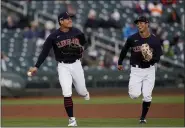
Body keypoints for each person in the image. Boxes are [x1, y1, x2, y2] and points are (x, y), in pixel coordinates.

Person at [27, 12, 90, 127]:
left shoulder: (77, 31)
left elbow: (85, 43)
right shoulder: (53, 36)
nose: (70, 20)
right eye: (68, 19)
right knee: (66, 92)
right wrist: (36, 66)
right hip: (63, 66)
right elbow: (44, 52)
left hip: (76, 64)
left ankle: (85, 93)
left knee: (81, 91)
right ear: (61, 21)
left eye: (71, 19)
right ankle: (72, 120)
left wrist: (82, 48)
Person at [117, 16, 163, 124]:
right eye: (138, 23)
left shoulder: (154, 40)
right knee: (134, 95)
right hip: (136, 70)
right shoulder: (132, 38)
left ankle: (142, 118)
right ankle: (137, 94)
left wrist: (150, 59)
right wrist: (120, 62)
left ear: (147, 24)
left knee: (147, 95)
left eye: (141, 23)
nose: (139, 25)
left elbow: (158, 57)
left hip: (149, 70)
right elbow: (124, 50)